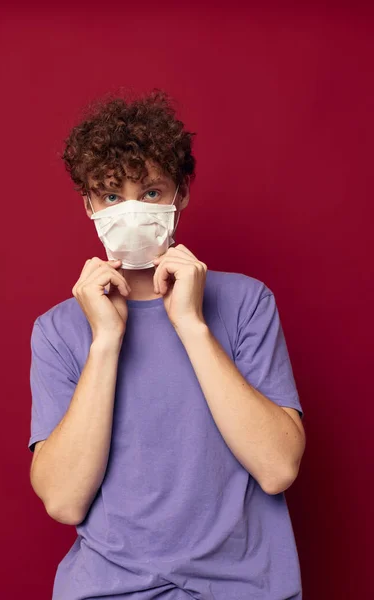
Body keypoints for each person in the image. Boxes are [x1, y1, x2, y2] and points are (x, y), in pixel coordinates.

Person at [28, 89, 306, 600]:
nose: (131, 212)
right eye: (112, 197)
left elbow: (278, 467)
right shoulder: (57, 331)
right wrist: (105, 342)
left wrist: (192, 325)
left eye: (150, 193)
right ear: (89, 204)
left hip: (243, 589)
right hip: (109, 591)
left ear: (180, 194)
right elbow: (64, 501)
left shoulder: (247, 303)